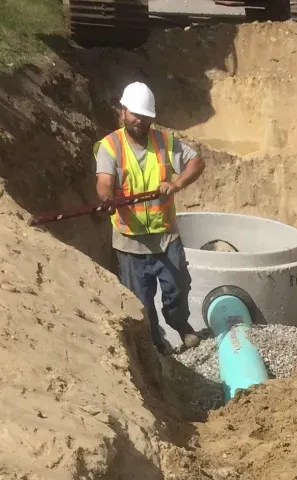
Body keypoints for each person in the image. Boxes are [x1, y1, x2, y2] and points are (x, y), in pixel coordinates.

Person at [95, 82, 206, 354]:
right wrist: (107, 199)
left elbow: (197, 162)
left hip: (165, 236)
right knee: (140, 303)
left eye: (144, 116)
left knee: (178, 288)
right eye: (134, 114)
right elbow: (104, 181)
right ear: (122, 112)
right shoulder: (110, 146)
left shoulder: (165, 142)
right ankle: (157, 348)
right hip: (130, 243)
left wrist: (177, 184)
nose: (139, 120)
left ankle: (179, 324)